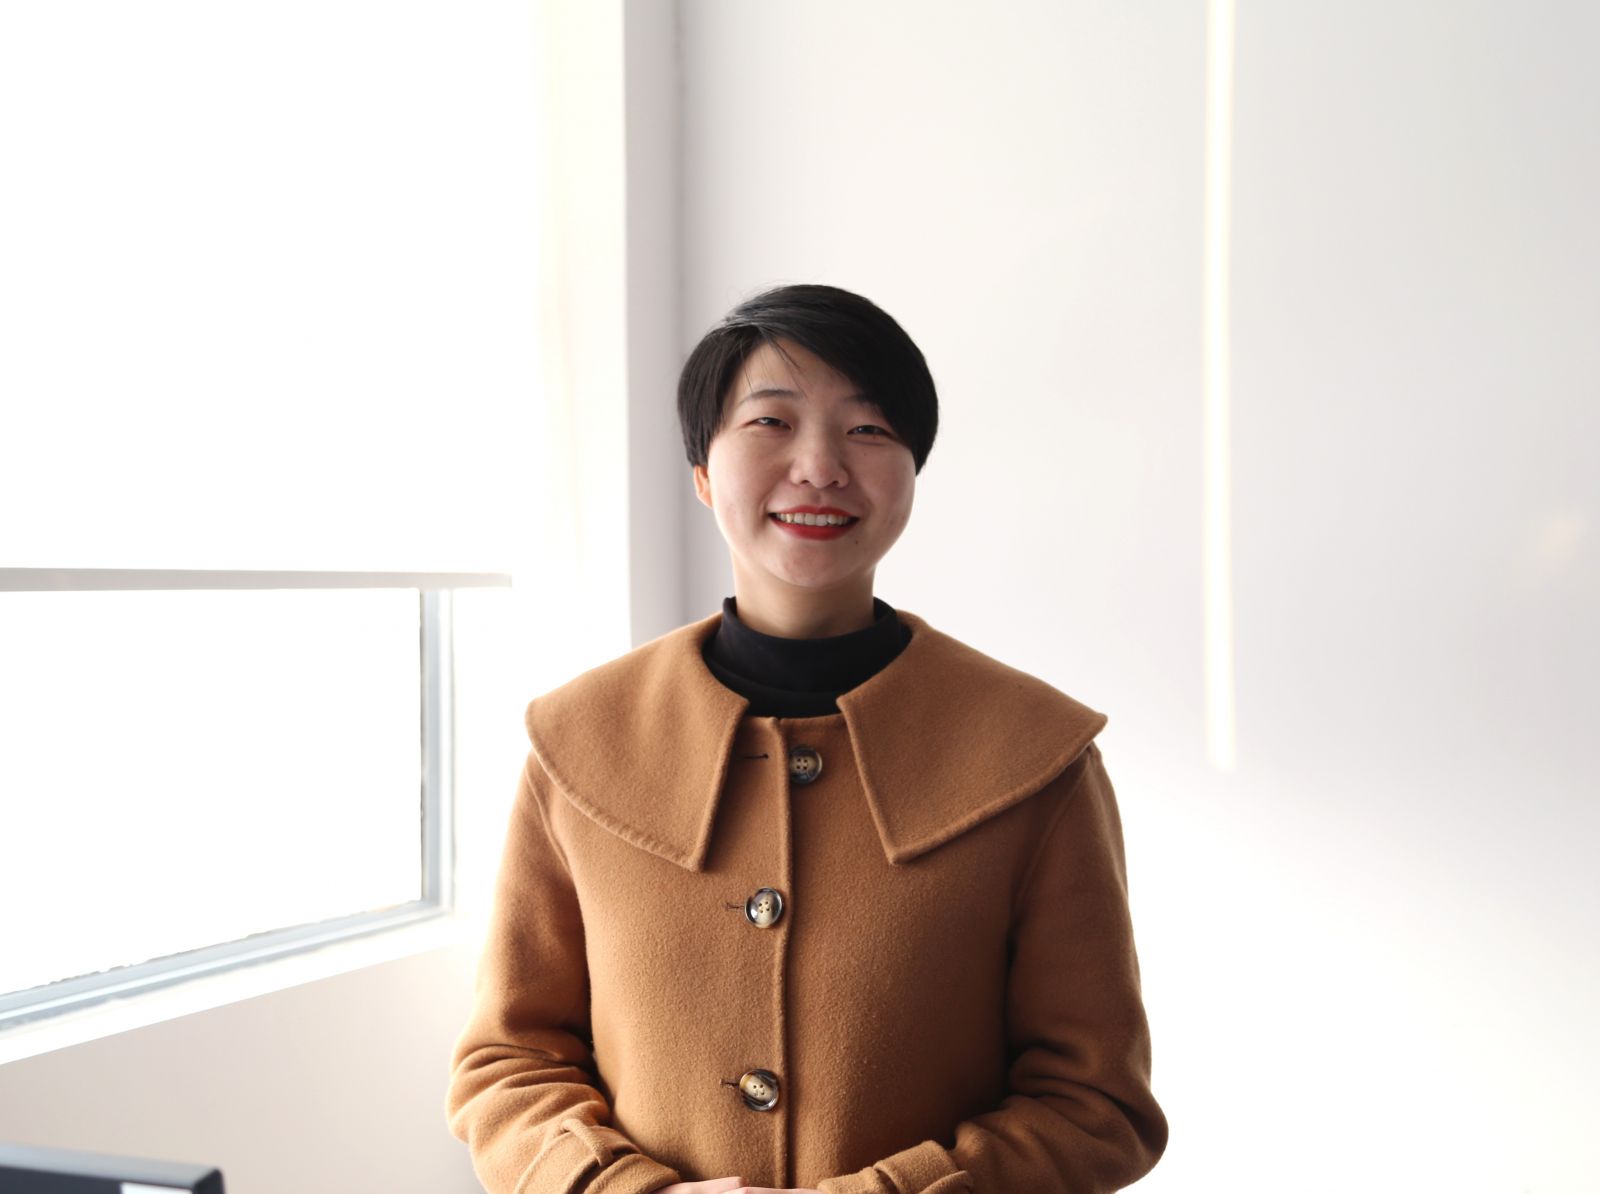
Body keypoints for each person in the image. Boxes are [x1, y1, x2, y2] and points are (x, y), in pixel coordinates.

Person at [446, 284, 1168, 1193]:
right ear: (702, 472)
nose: (820, 467)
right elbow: (507, 1062)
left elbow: (1096, 1105)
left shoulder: (1036, 758)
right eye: (770, 423)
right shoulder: (579, 745)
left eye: (868, 430)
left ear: (912, 475)